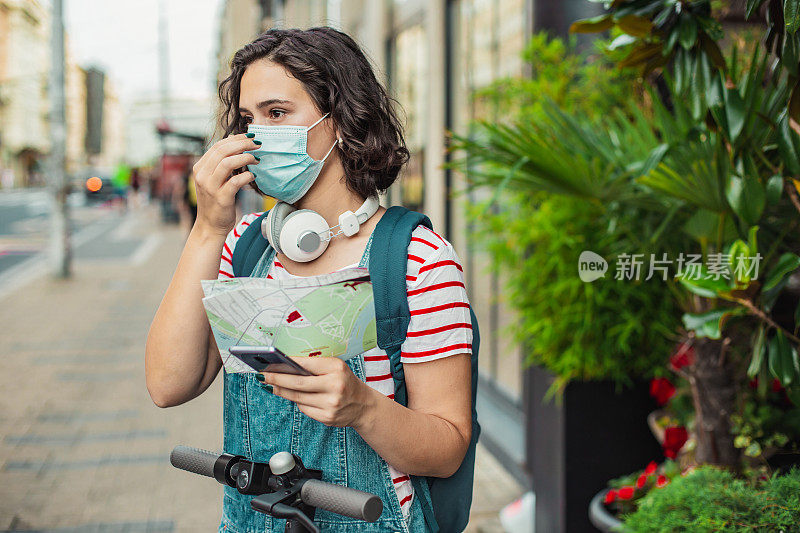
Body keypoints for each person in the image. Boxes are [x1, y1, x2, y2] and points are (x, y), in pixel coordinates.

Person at [145, 27, 472, 533]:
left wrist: (364, 408)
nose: (255, 135)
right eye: (247, 119)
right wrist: (208, 227)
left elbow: (448, 448)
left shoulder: (417, 259)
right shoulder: (244, 247)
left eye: (276, 114)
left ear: (340, 119)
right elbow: (168, 384)